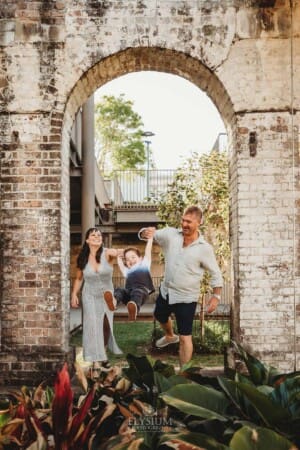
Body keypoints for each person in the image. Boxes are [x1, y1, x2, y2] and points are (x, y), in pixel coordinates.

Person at [140, 205, 223, 367]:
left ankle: (184, 373)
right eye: (183, 220)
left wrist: (216, 297)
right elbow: (150, 234)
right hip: (167, 292)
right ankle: (170, 335)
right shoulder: (171, 235)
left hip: (186, 298)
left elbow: (216, 274)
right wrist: (145, 232)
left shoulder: (204, 249)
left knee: (185, 337)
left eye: (189, 222)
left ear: (199, 222)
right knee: (160, 315)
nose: (184, 224)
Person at [71, 227, 122, 380]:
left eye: (99, 235)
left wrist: (127, 253)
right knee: (93, 326)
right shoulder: (83, 258)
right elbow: (79, 278)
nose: (97, 237)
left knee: (106, 326)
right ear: (87, 240)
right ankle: (96, 362)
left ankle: (103, 354)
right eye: (93, 235)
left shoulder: (107, 253)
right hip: (89, 295)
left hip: (106, 294)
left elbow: (119, 252)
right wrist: (74, 294)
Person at [114, 237, 155, 321]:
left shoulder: (144, 264)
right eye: (127, 259)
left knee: (137, 291)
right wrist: (119, 257)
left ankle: (134, 309)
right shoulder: (127, 271)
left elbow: (147, 251)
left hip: (141, 293)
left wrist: (150, 240)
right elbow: (121, 265)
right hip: (129, 295)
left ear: (140, 258)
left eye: (133, 257)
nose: (130, 260)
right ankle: (114, 302)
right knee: (119, 290)